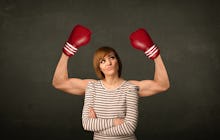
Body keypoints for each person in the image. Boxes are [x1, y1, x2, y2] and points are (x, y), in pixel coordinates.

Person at [52, 24, 170, 139]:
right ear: (99, 67)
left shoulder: (130, 87)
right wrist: (67, 51)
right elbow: (59, 83)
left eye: (111, 58)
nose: (108, 63)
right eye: (102, 61)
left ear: (117, 62)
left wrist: (154, 54)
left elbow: (163, 85)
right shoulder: (92, 87)